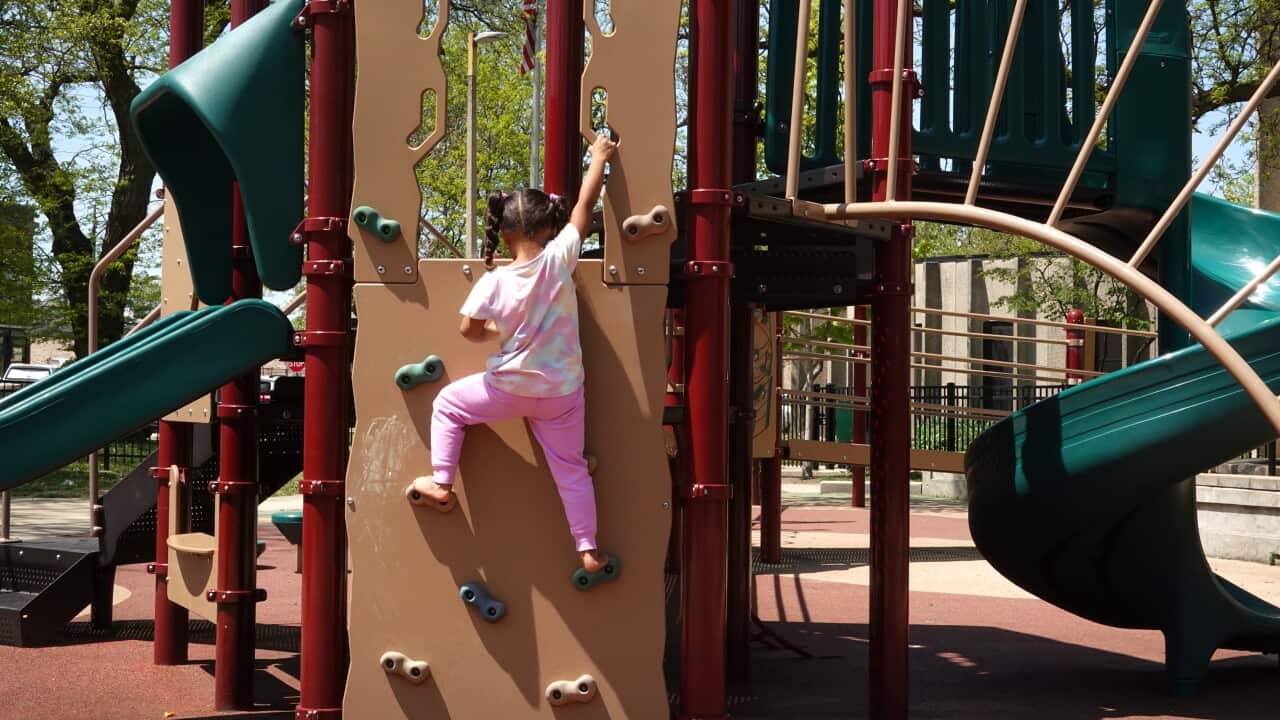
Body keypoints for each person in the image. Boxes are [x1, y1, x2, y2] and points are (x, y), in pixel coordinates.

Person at [410, 134, 618, 575]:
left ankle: (441, 483)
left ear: (503, 233)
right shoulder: (560, 259)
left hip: (507, 388)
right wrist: (598, 157)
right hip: (562, 392)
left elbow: (467, 331)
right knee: (571, 469)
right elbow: (584, 204)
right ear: (548, 228)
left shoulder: (493, 282)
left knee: (447, 404)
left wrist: (498, 331)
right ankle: (587, 546)